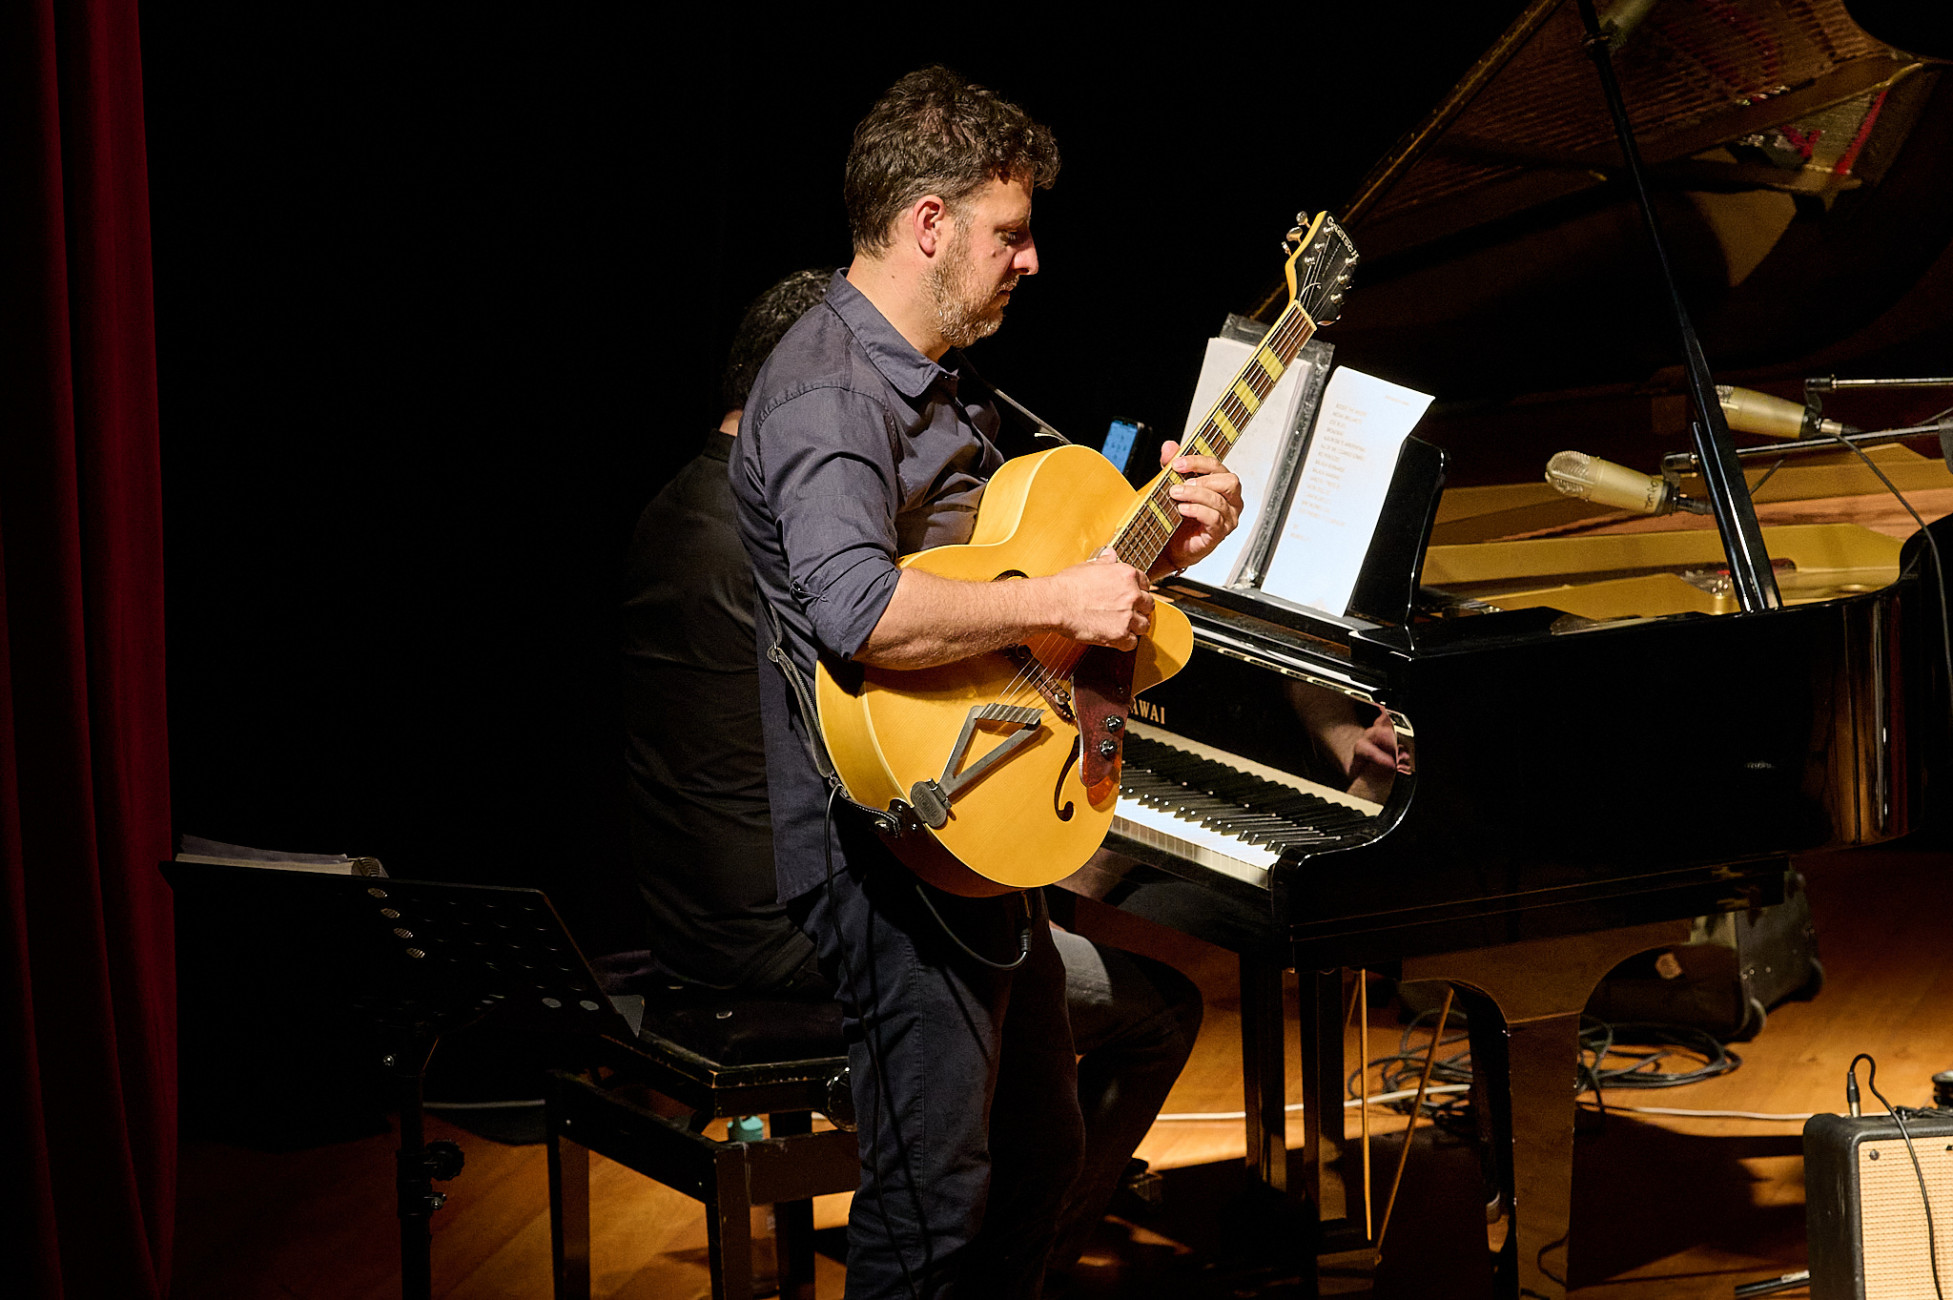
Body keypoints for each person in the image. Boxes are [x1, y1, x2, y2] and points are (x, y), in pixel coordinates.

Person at [729, 69, 1242, 1298]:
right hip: (886, 855)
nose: (1029, 259)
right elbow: (861, 611)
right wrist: (1060, 601)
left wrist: (1161, 549)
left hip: (975, 813)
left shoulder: (936, 378)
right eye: (1008, 232)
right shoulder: (829, 393)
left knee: (1039, 1156)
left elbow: (1004, 584)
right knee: (929, 1210)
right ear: (928, 223)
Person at [625, 265, 1209, 1284]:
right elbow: (897, 658)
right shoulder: (789, 527)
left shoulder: (680, 509)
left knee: (1018, 1130)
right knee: (1146, 1020)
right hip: (802, 919)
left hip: (694, 912)